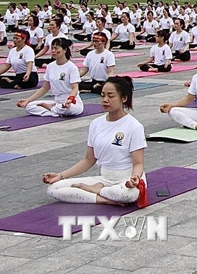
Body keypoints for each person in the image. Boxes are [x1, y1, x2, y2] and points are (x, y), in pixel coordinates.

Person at [41, 76, 146, 205]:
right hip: (105, 178)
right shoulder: (96, 124)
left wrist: (134, 179)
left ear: (123, 98)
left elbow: (138, 163)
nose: (105, 100)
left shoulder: (134, 126)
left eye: (111, 96)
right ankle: (103, 198)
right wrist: (60, 175)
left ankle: (97, 190)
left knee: (127, 194)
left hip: (126, 179)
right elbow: (89, 160)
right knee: (54, 188)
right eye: (102, 96)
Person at [16, 38, 83, 117]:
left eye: (56, 48)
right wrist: (28, 100)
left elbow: (75, 88)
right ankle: (54, 111)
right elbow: (45, 87)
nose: (53, 51)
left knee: (68, 109)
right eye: (52, 48)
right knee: (29, 106)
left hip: (72, 102)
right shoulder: (50, 66)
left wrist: (70, 99)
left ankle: (54, 110)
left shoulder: (71, 67)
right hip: (57, 101)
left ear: (64, 50)